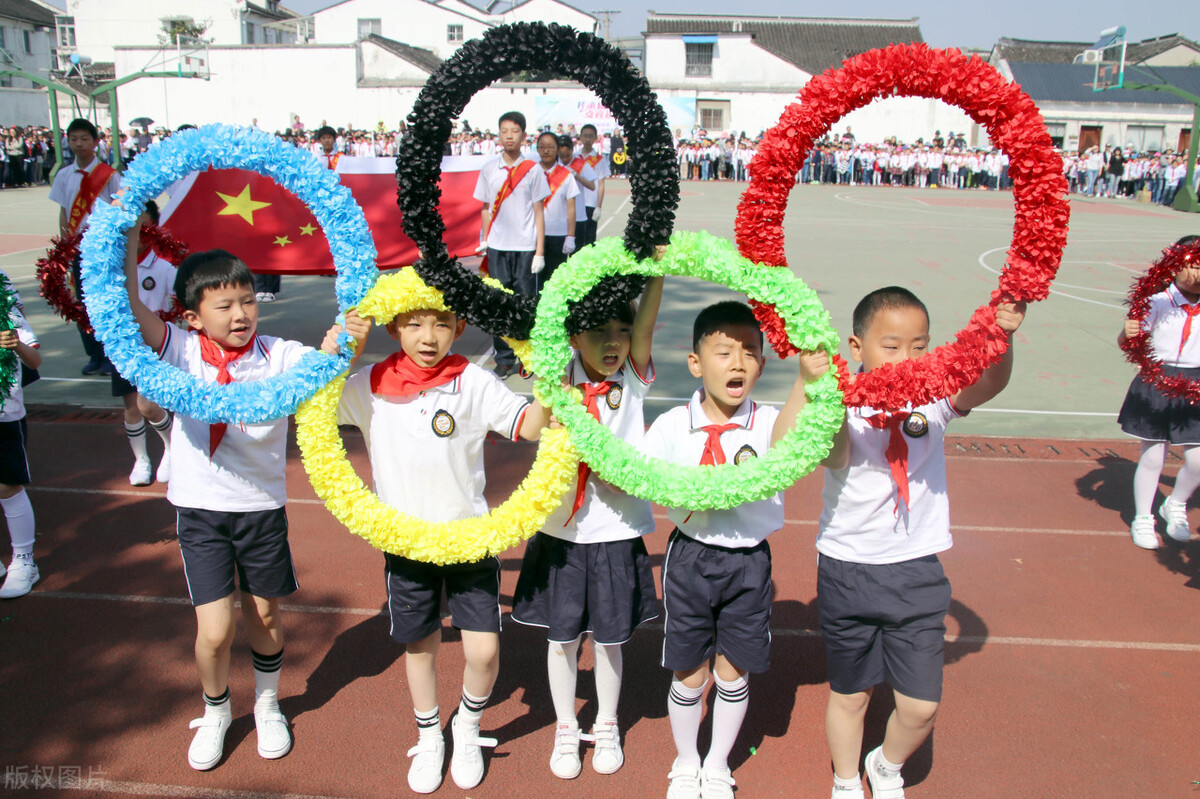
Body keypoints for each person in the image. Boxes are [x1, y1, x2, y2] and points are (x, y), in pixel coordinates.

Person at [119, 218, 349, 771]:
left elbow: (332, 356)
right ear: (194, 316)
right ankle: (217, 708)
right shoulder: (181, 350)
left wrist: (346, 332)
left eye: (248, 301)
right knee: (215, 630)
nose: (240, 314)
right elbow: (128, 307)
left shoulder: (280, 355)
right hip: (200, 510)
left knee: (265, 618)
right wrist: (128, 243)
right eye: (224, 306)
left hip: (261, 509)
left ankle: (269, 703)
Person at [332, 289, 551, 794]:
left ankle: (468, 726)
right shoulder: (371, 385)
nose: (427, 337)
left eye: (440, 324)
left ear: (457, 327)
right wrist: (345, 347)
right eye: (414, 324)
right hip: (407, 544)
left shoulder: (473, 382)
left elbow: (531, 424)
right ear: (394, 328)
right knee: (420, 645)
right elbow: (316, 404)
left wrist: (549, 379)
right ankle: (429, 732)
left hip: (470, 538)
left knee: (483, 651)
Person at [818, 286, 1025, 799]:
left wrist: (1003, 336)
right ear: (857, 346)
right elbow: (835, 457)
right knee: (851, 694)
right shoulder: (837, 400)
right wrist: (822, 391)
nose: (906, 358)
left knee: (919, 707)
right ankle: (846, 780)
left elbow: (988, 384)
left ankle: (885, 764)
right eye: (891, 346)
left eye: (919, 345)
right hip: (847, 566)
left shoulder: (933, 398)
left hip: (916, 571)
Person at [642, 301, 832, 799]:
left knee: (733, 668)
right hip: (689, 558)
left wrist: (805, 382)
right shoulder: (669, 426)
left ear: (763, 366)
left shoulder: (767, 423)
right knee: (690, 671)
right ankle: (685, 761)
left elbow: (790, 442)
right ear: (696, 363)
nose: (738, 363)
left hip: (748, 562)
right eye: (723, 351)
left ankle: (717, 763)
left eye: (750, 352)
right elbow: (644, 477)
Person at [512, 276, 664, 780]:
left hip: (616, 530)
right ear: (574, 337)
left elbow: (645, 321)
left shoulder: (633, 378)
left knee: (610, 639)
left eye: (623, 330)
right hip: (561, 529)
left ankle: (605, 722)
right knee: (561, 640)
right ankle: (563, 726)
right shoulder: (557, 374)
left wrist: (657, 269)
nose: (615, 341)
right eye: (599, 330)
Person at [1118, 236, 1200, 549]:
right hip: (1157, 379)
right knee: (1153, 457)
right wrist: (1127, 335)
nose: (1195, 273)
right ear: (1174, 266)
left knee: (1197, 461)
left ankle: (1175, 504)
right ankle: (1143, 517)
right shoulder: (1158, 301)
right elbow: (1128, 343)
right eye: (1190, 264)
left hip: (1194, 384)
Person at [473, 110, 548, 378]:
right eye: (504, 130)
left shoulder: (533, 170)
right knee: (499, 304)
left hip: (526, 248)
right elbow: (485, 207)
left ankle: (527, 356)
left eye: (514, 131)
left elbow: (539, 211)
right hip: (497, 248)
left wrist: (540, 251)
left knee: (525, 304)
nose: (508, 135)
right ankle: (504, 359)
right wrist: (484, 238)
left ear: (523, 136)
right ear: (499, 134)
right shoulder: (489, 170)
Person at [48, 118, 122, 376]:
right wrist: (65, 245)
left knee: (107, 302)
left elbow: (121, 208)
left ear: (95, 142)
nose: (79, 144)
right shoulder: (64, 175)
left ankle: (112, 356)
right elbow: (64, 211)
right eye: (74, 139)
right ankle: (94, 355)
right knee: (83, 305)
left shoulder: (110, 176)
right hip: (77, 250)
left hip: (103, 248)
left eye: (84, 139)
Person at [114, 201, 176, 486]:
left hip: (156, 347)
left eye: (142, 228)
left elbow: (179, 306)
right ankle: (141, 459)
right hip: (123, 343)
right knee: (131, 407)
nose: (136, 235)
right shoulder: (112, 270)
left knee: (150, 404)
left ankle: (170, 447)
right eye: (130, 229)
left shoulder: (164, 268)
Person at [0, 270, 43, 599]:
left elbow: (34, 358)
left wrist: (15, 344)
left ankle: (24, 560)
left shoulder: (8, 314)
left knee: (7, 486)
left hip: (4, 412)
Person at [536, 132, 578, 287]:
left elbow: (571, 208)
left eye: (550, 147)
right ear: (537, 149)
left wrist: (571, 236)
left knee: (555, 279)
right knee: (535, 279)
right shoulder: (531, 172)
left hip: (558, 235)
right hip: (534, 235)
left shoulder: (566, 175)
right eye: (542, 147)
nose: (546, 151)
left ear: (557, 149)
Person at [570, 124, 609, 247]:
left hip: (590, 203)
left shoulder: (599, 159)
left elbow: (601, 184)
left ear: (595, 138)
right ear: (580, 137)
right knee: (575, 238)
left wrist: (599, 206)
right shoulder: (574, 157)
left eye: (590, 136)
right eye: (585, 136)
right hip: (575, 202)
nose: (587, 139)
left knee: (589, 239)